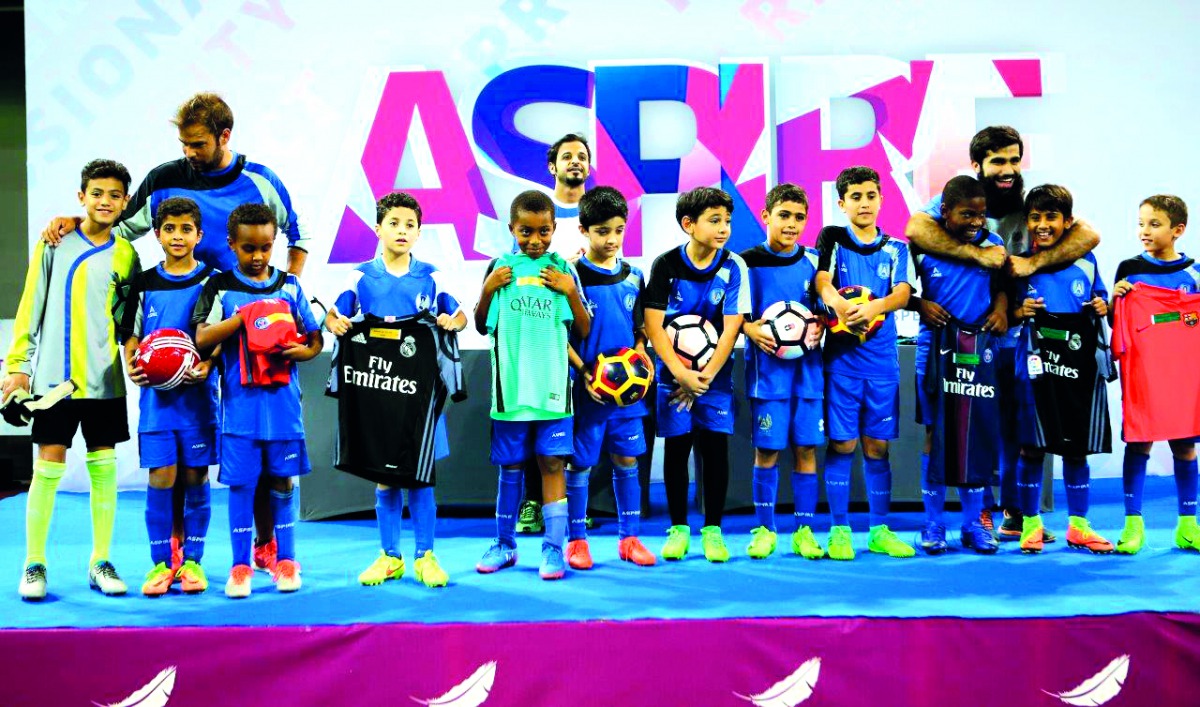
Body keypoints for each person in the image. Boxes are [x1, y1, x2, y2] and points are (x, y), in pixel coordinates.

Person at [41, 93, 310, 571]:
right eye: (184, 143)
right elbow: (117, 229)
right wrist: (71, 222)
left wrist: (280, 299)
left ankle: (268, 546)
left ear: (225, 137)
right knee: (188, 466)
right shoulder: (164, 180)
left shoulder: (260, 181)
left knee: (264, 451)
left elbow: (300, 236)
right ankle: (179, 555)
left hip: (254, 339)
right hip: (194, 332)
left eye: (198, 144)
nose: (189, 152)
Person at [906, 125, 1101, 541]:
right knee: (959, 429)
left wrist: (1029, 268)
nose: (1008, 170)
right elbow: (916, 229)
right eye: (998, 161)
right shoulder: (955, 198)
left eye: (1014, 159)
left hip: (1017, 338)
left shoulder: (1027, 201)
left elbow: (1088, 233)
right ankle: (965, 518)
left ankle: (1013, 513)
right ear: (977, 165)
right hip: (957, 341)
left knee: (1014, 429)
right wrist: (978, 254)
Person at [7, 159, 141, 600]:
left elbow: (128, 323)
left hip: (104, 382)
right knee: (47, 468)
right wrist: (17, 366)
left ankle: (100, 560)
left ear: (125, 203)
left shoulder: (128, 255)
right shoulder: (55, 242)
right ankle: (34, 563)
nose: (105, 201)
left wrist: (136, 358)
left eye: (114, 195)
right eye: (97, 193)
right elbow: (31, 305)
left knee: (104, 467)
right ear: (81, 196)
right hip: (53, 382)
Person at [325, 192, 467, 588]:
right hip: (378, 387)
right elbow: (334, 313)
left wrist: (452, 322)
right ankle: (390, 557)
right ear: (378, 228)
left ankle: (425, 556)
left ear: (419, 233)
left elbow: (460, 314)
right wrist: (333, 323)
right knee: (384, 475)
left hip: (420, 389)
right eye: (394, 223)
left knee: (421, 475)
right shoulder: (360, 276)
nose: (402, 231)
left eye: (410, 225)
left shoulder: (431, 276)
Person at [193, 204, 323, 598]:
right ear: (232, 245)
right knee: (242, 484)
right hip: (239, 410)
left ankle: (286, 561)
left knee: (282, 481)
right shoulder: (218, 288)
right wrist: (245, 318)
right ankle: (239, 568)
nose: (258, 257)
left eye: (266, 248)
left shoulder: (290, 285)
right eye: (249, 248)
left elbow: (314, 339)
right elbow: (201, 337)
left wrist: (305, 351)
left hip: (284, 407)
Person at [475, 190, 591, 580]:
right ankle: (505, 545)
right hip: (511, 389)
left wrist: (571, 292)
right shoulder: (500, 268)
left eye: (544, 231)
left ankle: (553, 549)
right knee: (510, 466)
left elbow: (583, 328)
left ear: (555, 229)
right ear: (513, 229)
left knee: (553, 463)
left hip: (554, 390)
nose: (535, 240)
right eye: (526, 231)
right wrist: (489, 288)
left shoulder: (562, 270)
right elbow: (480, 324)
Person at [643, 186, 750, 563]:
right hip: (672, 375)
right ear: (689, 224)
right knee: (676, 448)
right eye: (714, 220)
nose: (724, 228)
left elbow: (733, 326)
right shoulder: (665, 265)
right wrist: (680, 374)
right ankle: (678, 529)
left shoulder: (734, 266)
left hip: (715, 375)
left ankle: (713, 531)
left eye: (728, 221)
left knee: (714, 448)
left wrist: (702, 377)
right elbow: (654, 327)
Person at [814, 166, 915, 561]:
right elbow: (822, 281)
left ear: (881, 199)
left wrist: (875, 306)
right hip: (841, 362)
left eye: (871, 195)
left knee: (877, 446)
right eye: (855, 197)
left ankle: (879, 529)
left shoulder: (896, 248)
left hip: (882, 363)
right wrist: (839, 304)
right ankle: (840, 530)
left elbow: (904, 292)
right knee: (842, 444)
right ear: (842, 203)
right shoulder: (834, 239)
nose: (864, 203)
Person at [1009, 185, 1114, 554]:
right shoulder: (1018, 265)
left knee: (1076, 449)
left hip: (1078, 367)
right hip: (1034, 368)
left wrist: (1104, 306)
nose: (1042, 224)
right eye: (1035, 217)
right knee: (1032, 448)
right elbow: (1003, 316)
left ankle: (1079, 526)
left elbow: (1102, 300)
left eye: (1051, 217)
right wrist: (1020, 313)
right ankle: (1031, 525)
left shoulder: (1087, 261)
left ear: (1068, 222)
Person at [121, 197, 218, 595]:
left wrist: (208, 366)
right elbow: (131, 334)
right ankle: (160, 564)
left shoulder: (213, 281)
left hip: (198, 403)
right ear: (158, 234)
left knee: (195, 477)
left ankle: (193, 562)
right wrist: (132, 362)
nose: (178, 236)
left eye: (186, 229)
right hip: (157, 407)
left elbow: (217, 337)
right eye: (170, 229)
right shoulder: (144, 283)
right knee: (161, 478)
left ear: (199, 234)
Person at [909, 176, 1007, 556]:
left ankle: (973, 525)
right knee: (935, 434)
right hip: (933, 351)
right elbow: (903, 293)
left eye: (981, 215)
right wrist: (920, 306)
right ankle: (933, 522)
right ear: (944, 212)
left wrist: (999, 309)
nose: (975, 222)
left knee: (976, 436)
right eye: (967, 214)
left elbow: (1002, 287)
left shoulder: (994, 245)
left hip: (979, 352)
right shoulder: (922, 245)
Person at [562, 186, 656, 569]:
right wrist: (582, 372)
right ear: (584, 230)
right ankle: (577, 541)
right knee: (580, 464)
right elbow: (560, 331)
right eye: (602, 231)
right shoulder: (572, 276)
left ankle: (629, 538)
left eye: (618, 230)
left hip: (628, 394)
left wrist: (641, 362)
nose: (612, 239)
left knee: (627, 460)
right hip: (590, 392)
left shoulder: (635, 276)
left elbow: (639, 332)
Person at [739, 183, 826, 560]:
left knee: (806, 447)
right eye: (784, 216)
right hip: (767, 376)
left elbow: (827, 306)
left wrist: (824, 320)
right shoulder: (744, 263)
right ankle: (765, 529)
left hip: (808, 373)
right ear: (766, 216)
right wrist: (748, 328)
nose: (792, 224)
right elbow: (733, 314)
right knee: (768, 451)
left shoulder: (815, 261)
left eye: (800, 217)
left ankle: (804, 530)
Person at [1110, 194, 1200, 555]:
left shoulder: (1195, 273)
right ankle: (1133, 525)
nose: (1144, 231)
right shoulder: (1129, 269)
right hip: (1144, 372)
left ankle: (1188, 525)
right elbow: (1116, 326)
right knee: (1139, 441)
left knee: (1185, 445)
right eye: (1141, 223)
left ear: (1178, 230)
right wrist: (1117, 299)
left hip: (1183, 374)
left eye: (1154, 224)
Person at [518, 132, 594, 535]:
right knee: (536, 418)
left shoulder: (595, 213)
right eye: (567, 157)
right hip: (540, 334)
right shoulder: (539, 213)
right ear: (553, 166)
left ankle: (573, 505)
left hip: (583, 328)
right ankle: (532, 503)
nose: (575, 162)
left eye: (582, 156)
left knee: (576, 422)